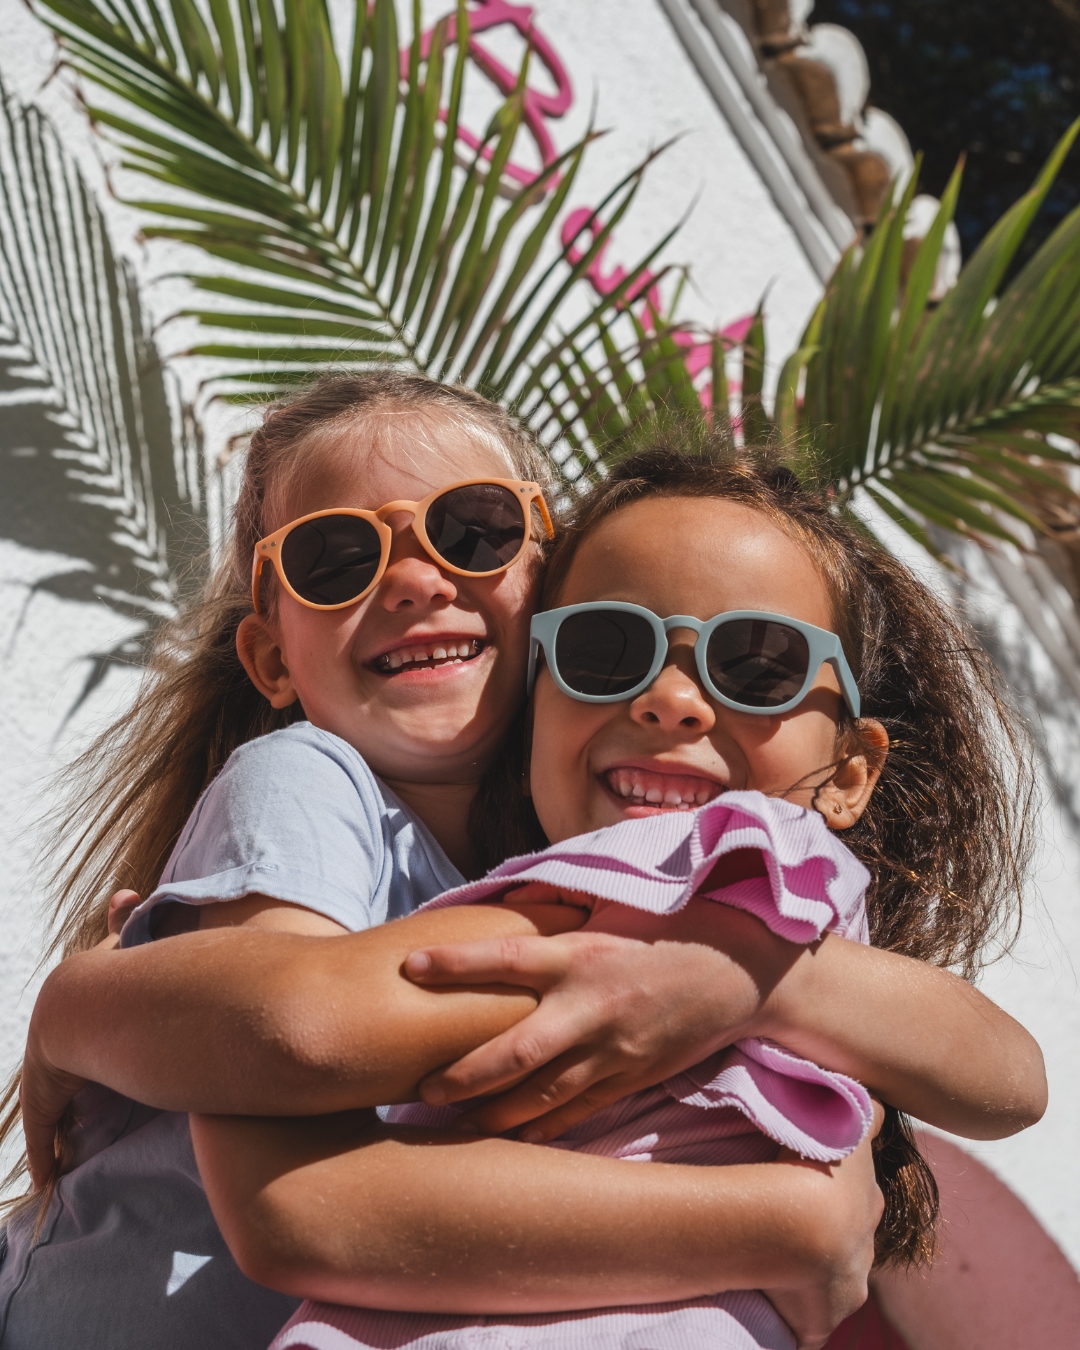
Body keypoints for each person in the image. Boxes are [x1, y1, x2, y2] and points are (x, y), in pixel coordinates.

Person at [4, 383, 1044, 1350]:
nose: (416, 580)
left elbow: (1010, 1078)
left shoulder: (592, 859)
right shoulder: (305, 777)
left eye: (474, 532)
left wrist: (747, 975)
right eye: (334, 559)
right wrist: (779, 1216)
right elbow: (297, 1049)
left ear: (540, 586)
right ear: (274, 656)